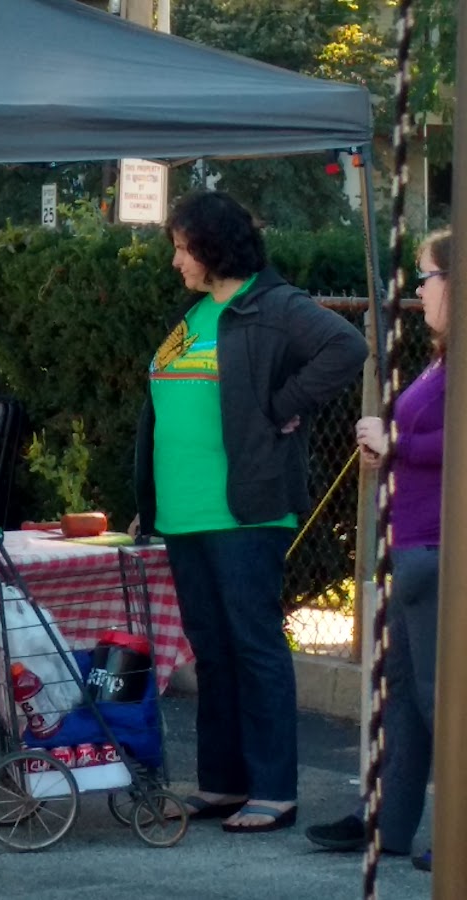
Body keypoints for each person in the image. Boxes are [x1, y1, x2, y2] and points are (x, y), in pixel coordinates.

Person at [133, 190, 366, 834]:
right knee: (212, 650)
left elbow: (346, 348)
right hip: (185, 514)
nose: (176, 260)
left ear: (210, 247)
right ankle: (224, 783)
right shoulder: (199, 310)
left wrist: (283, 405)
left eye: (182, 247)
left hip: (244, 511)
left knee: (254, 645)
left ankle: (273, 790)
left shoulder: (274, 305)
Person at [306, 230, 449, 872]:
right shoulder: (441, 360)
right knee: (402, 699)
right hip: (409, 547)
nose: (419, 291)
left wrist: (396, 442)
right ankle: (387, 825)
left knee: (438, 699)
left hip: (440, 552)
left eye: (428, 277)